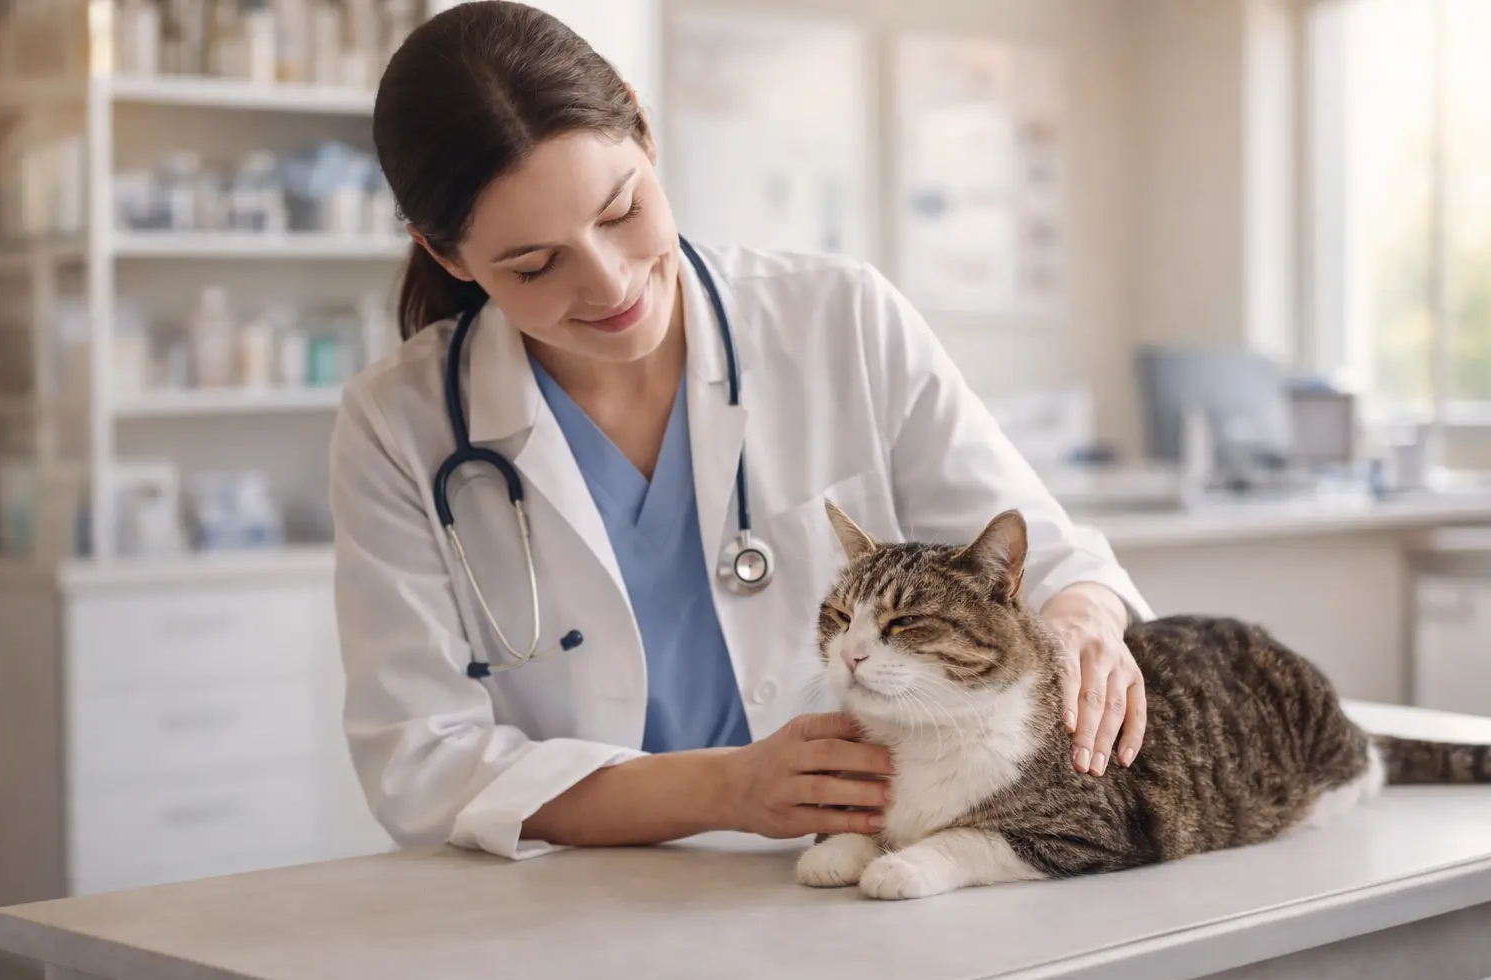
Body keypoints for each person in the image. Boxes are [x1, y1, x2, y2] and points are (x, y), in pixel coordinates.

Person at [330, 0, 1154, 861]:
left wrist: (1086, 615)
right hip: (577, 894)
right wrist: (725, 790)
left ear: (643, 127)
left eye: (620, 211)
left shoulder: (839, 318)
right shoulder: (399, 424)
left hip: (869, 868)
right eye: (535, 265)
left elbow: (1045, 560)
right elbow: (421, 763)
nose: (610, 284)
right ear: (446, 254)